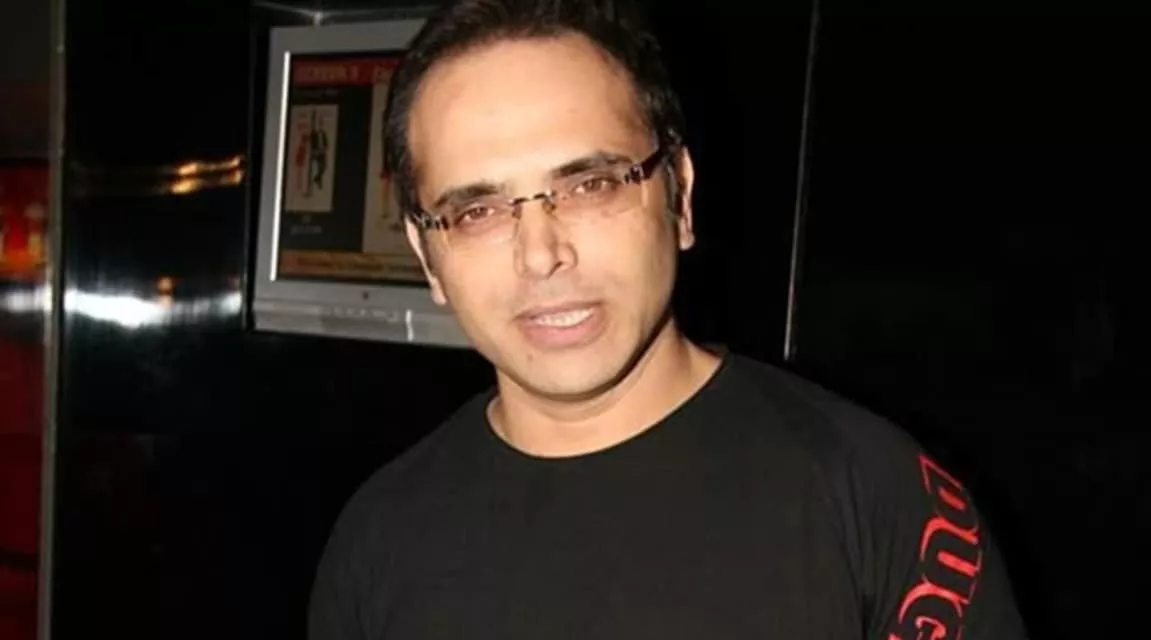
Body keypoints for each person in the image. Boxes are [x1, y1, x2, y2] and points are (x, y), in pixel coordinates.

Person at [308, 1, 1029, 639]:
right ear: (427, 255)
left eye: (590, 185)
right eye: (477, 212)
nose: (541, 254)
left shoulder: (878, 499)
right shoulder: (377, 540)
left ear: (678, 195)